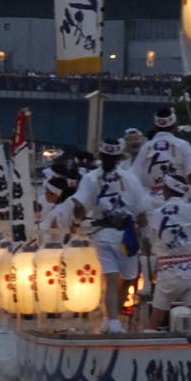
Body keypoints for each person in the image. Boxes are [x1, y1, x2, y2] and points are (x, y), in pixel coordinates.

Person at [66, 138, 153, 333]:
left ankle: (110, 319)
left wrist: (76, 223)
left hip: (102, 233)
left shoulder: (90, 178)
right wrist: (146, 237)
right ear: (119, 157)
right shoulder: (129, 178)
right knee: (128, 278)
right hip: (126, 235)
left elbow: (79, 205)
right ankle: (113, 319)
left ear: (101, 156)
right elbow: (141, 212)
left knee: (111, 278)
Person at [144, 172, 191, 330]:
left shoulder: (156, 214)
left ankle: (147, 342)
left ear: (166, 190)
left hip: (167, 271)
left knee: (155, 320)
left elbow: (152, 243)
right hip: (190, 269)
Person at [133, 107, 191, 199]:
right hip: (178, 198)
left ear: (155, 127)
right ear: (175, 127)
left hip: (150, 200)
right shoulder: (183, 145)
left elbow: (134, 176)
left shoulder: (146, 147)